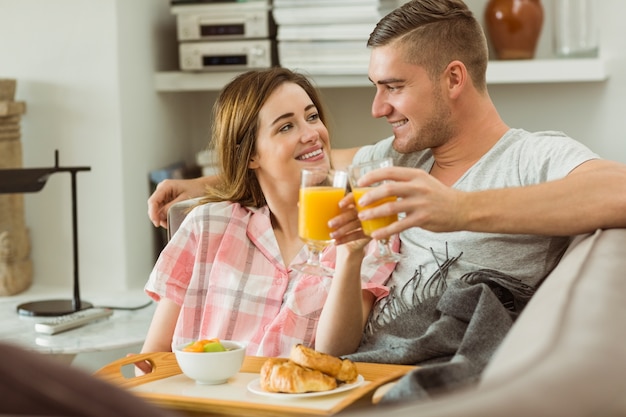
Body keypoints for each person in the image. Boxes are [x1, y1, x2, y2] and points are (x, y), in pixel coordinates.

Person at [146, 0, 626, 393]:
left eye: (393, 87)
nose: (378, 108)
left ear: (454, 79)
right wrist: (202, 186)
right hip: (346, 377)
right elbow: (307, 161)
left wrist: (458, 210)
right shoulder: (395, 161)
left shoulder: (530, 156)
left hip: (414, 381)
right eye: (376, 88)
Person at [139, 67, 395, 367]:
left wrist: (350, 256)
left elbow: (334, 353)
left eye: (312, 117)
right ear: (250, 156)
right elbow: (151, 360)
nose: (312, 133)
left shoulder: (366, 234)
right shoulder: (206, 226)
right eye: (286, 127)